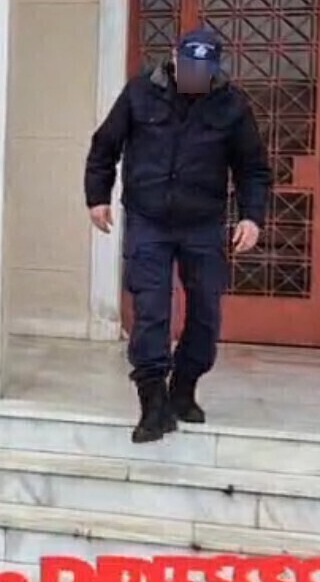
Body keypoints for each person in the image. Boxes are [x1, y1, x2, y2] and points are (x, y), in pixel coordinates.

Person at [85, 28, 271, 444]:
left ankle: (184, 387)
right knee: (151, 308)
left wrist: (252, 217)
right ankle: (153, 403)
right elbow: (104, 146)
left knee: (205, 311)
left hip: (202, 223)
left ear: (215, 69)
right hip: (148, 218)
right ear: (174, 58)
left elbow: (252, 168)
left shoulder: (231, 105)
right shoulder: (140, 94)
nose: (194, 77)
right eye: (188, 69)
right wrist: (97, 197)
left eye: (202, 72)